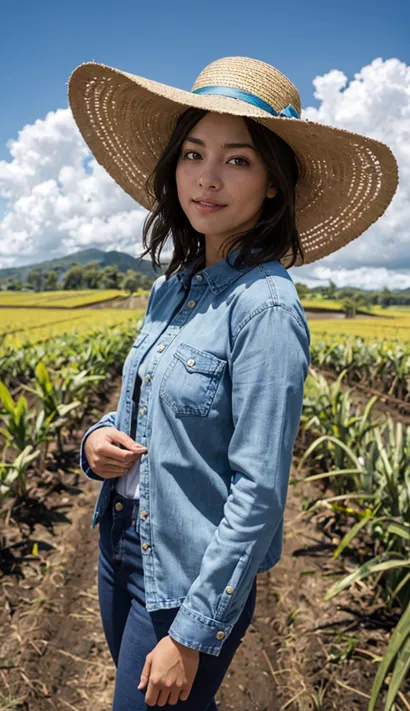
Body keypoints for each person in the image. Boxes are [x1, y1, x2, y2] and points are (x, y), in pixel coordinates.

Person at [69, 56, 398, 709]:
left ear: (274, 182)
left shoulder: (267, 308)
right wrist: (95, 443)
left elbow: (260, 493)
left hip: (188, 578)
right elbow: (137, 409)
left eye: (238, 160)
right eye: (194, 153)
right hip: (123, 544)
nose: (207, 177)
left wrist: (191, 634)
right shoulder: (172, 289)